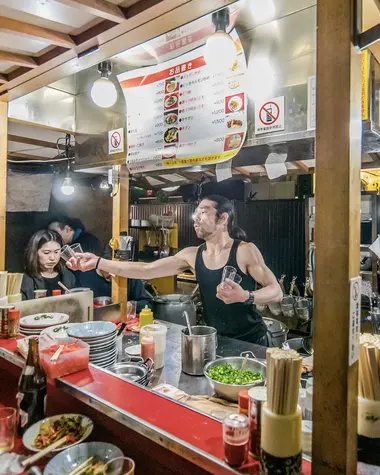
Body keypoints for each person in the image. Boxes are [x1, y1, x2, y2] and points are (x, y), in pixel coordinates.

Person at [67, 195, 283, 345]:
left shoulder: (244, 251)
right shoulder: (192, 254)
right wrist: (98, 263)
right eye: (195, 213)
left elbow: (276, 291)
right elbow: (147, 270)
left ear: (223, 218)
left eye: (204, 212)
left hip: (253, 339)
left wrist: (245, 296)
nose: (196, 218)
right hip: (216, 338)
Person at [48, 216, 104, 291]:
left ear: (67, 229)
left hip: (93, 289)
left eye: (55, 232)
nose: (52, 237)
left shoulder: (86, 241)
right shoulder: (84, 238)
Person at [21, 230, 75, 300]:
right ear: (35, 253)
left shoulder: (67, 276)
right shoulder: (26, 280)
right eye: (46, 253)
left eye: (56, 252)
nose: (52, 258)